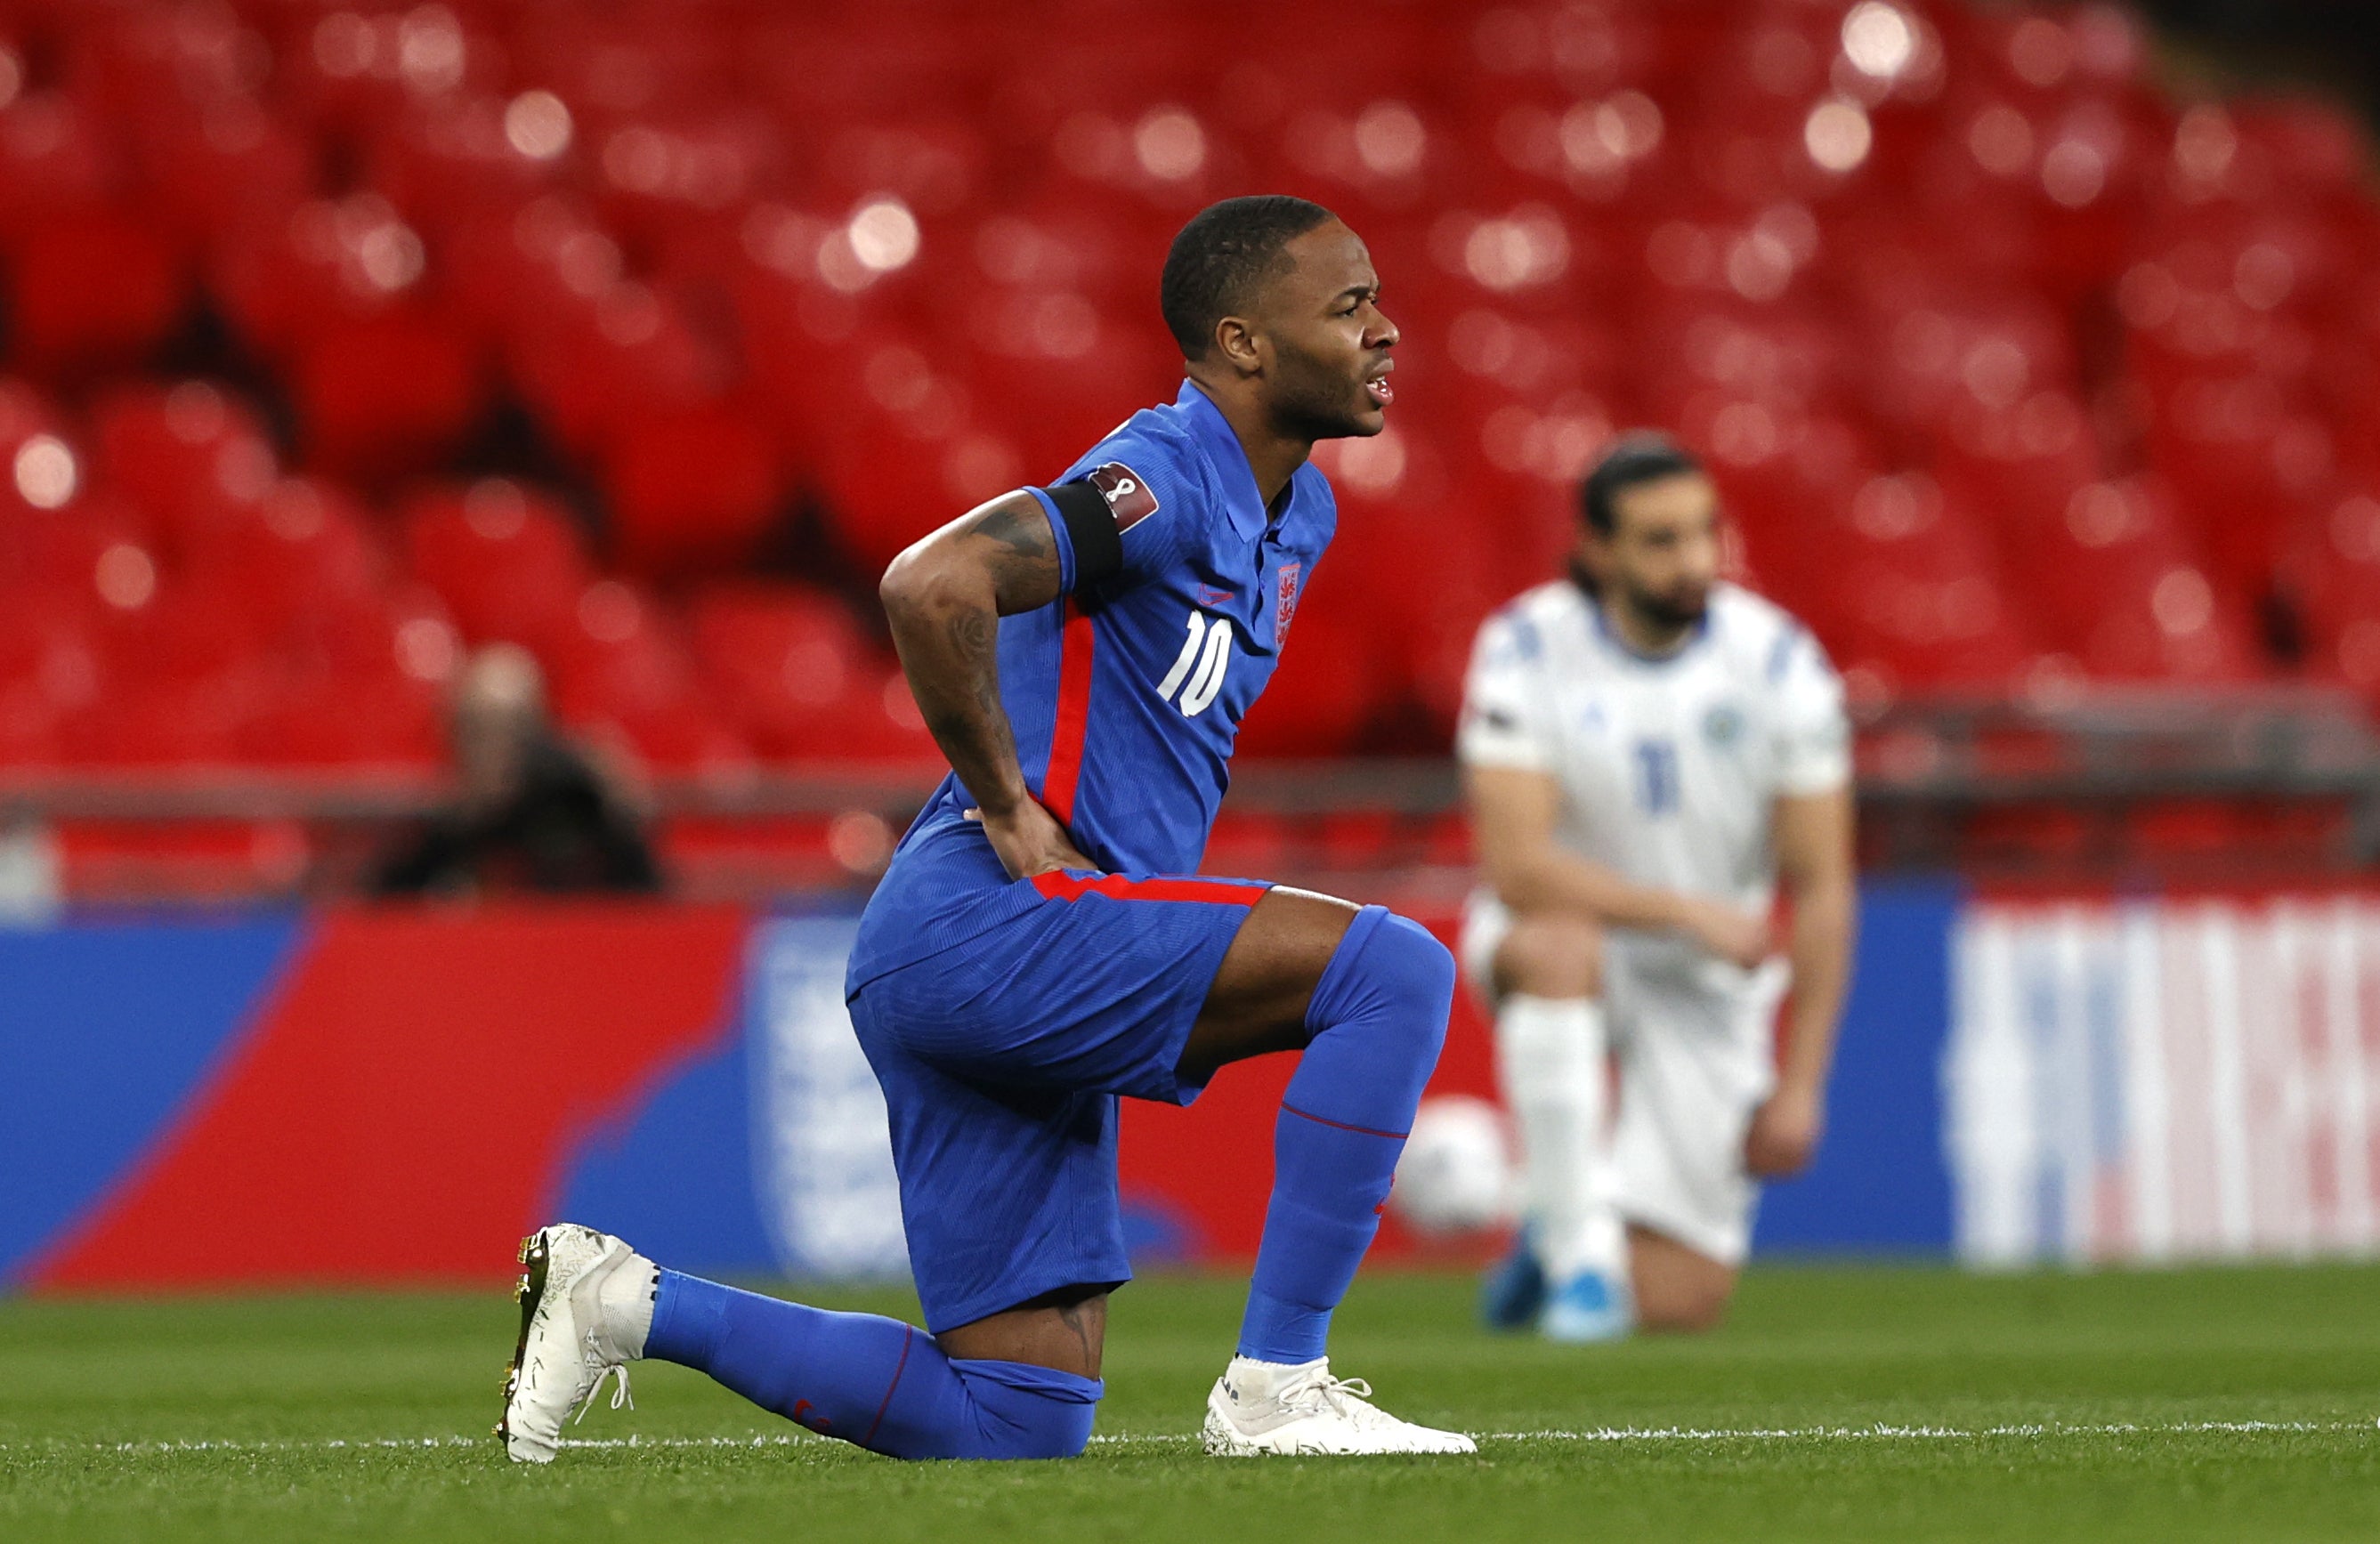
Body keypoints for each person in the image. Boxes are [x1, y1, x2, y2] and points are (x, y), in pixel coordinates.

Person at [498, 196, 1475, 1461]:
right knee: (1394, 970)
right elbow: (931, 579)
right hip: (992, 919)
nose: (1386, 331)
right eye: (1349, 307)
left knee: (1014, 1419)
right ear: (1240, 341)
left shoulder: (1302, 517)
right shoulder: (1165, 477)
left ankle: (619, 1299)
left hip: (988, 949)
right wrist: (1012, 807)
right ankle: (1277, 1381)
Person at [1457, 433, 1857, 1341]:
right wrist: (1686, 911)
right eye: (1659, 540)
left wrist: (1801, 1087)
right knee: (1556, 945)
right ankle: (1582, 1259)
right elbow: (1517, 866)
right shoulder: (1524, 647)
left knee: (1678, 1305)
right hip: (1564, 932)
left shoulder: (1778, 663)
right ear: (1597, 549)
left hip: (1704, 982)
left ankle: (1552, 1216)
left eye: (1702, 533)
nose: (1692, 562)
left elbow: (1824, 884)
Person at [371, 643, 661, 897]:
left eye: (511, 727)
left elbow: (645, 896)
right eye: (475, 728)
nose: (491, 745)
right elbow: (389, 909)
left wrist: (622, 813)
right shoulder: (440, 834)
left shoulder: (573, 805)